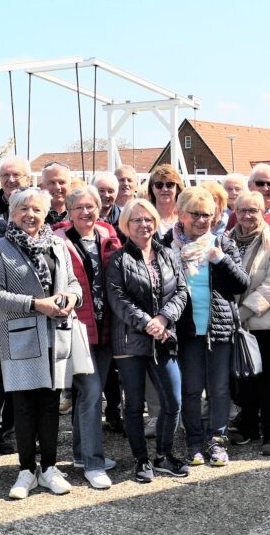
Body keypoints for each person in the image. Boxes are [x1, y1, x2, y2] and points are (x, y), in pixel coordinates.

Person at [0, 188, 84, 499]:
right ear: (12, 213)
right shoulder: (0, 248)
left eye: (37, 209)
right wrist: (36, 304)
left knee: (50, 405)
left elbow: (73, 283)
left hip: (55, 335)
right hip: (20, 337)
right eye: (23, 209)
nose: (30, 215)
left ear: (45, 214)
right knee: (24, 406)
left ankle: (50, 468)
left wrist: (72, 297)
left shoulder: (57, 244)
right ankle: (26, 470)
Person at [106, 198, 189, 483]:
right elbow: (118, 298)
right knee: (134, 405)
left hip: (164, 337)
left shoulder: (168, 255)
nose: (144, 224)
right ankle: (141, 459)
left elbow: (181, 291)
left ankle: (164, 455)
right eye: (137, 220)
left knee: (173, 401)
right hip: (130, 341)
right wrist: (148, 323)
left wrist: (164, 318)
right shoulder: (119, 259)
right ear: (126, 225)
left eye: (148, 219)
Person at [166, 187, 249, 467]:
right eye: (196, 214)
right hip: (185, 331)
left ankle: (217, 441)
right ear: (181, 214)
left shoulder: (222, 243)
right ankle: (193, 442)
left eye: (208, 215)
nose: (202, 221)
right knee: (190, 390)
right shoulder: (167, 245)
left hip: (218, 329)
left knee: (219, 389)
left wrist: (220, 260)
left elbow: (242, 283)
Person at [54, 186, 122, 489]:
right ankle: (94, 464)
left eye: (90, 206)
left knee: (87, 395)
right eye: (79, 207)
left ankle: (82, 455)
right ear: (69, 212)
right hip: (77, 329)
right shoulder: (58, 241)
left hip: (106, 328)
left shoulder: (108, 236)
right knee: (92, 393)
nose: (85, 212)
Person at [226, 191, 270, 455]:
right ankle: (249, 426)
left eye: (253, 210)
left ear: (263, 212)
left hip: (268, 323)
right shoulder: (225, 241)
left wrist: (243, 312)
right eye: (242, 210)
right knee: (245, 377)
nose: (247, 215)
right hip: (235, 322)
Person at [0, 158, 31, 455]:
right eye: (5, 175)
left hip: (31, 302)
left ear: (28, 178)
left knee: (23, 372)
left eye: (17, 175)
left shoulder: (36, 205)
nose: (11, 180)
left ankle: (13, 428)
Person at [147, 165, 185, 241]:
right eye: (159, 185)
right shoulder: (146, 219)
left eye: (169, 185)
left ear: (177, 188)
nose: (164, 189)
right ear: (152, 188)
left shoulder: (186, 217)